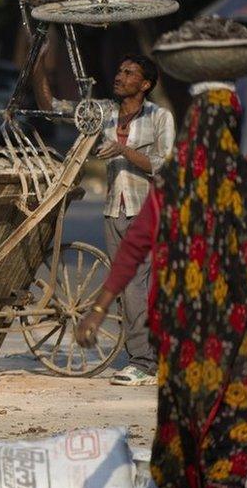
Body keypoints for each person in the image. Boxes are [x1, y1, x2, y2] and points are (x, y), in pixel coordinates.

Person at [75, 28, 247, 488]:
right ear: (231, 124)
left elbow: (136, 243)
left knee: (190, 415)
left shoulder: (174, 181)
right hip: (244, 316)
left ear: (192, 128)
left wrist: (99, 307)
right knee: (242, 404)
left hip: (184, 321)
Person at [33, 50, 175, 386]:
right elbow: (54, 108)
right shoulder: (105, 113)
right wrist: (39, 64)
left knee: (137, 286)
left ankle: (143, 362)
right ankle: (144, 357)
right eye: (120, 70)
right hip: (115, 209)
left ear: (145, 84)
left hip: (148, 210)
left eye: (129, 73)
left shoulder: (159, 117)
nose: (120, 76)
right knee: (127, 288)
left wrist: (124, 151)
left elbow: (165, 164)